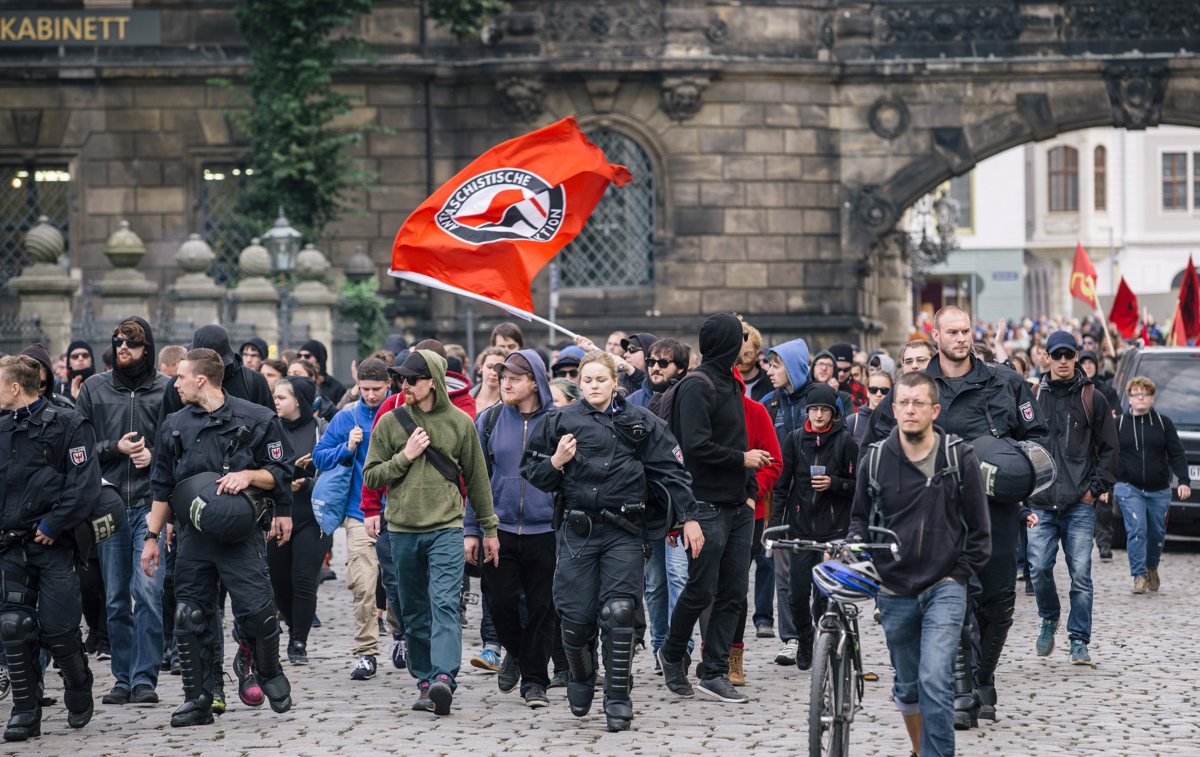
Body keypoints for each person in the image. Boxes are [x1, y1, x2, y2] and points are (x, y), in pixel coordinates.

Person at [868, 305, 1049, 729]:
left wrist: (1012, 470)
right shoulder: (916, 386)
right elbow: (878, 442)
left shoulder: (1005, 381)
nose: (961, 338)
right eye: (952, 332)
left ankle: (984, 678)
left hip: (998, 509)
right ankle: (961, 693)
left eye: (966, 330)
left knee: (998, 599)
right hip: (937, 511)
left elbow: (1038, 440)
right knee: (956, 597)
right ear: (936, 336)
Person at [522, 350, 699, 731]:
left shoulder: (640, 422)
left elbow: (673, 471)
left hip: (624, 530)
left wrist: (688, 518)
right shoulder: (559, 421)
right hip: (577, 532)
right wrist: (555, 461)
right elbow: (532, 471)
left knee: (619, 612)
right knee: (575, 619)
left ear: (614, 382)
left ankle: (618, 698)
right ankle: (582, 676)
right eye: (588, 381)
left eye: (601, 380)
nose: (594, 386)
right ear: (580, 383)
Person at [140, 347, 294, 728]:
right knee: (191, 616)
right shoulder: (174, 423)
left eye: (180, 377)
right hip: (194, 537)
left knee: (258, 614)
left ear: (201, 379)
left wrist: (249, 476)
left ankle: (269, 670)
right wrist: (152, 536)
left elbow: (282, 469)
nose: (175, 384)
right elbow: (162, 485)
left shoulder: (256, 418)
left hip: (240, 535)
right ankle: (200, 697)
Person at [850, 371, 991, 757]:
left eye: (918, 403)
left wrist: (958, 574)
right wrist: (854, 548)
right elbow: (859, 519)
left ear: (935, 410)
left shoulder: (957, 456)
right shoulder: (876, 459)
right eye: (904, 403)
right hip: (893, 589)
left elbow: (980, 531)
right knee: (909, 685)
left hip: (944, 585)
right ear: (893, 409)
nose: (910, 410)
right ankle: (919, 749)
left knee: (934, 680)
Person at [362, 349, 499, 717]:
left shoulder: (459, 422)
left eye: (413, 379)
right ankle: (424, 680)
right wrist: (404, 456)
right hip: (402, 531)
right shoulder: (390, 421)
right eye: (402, 379)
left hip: (447, 529)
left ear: (433, 381)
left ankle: (443, 677)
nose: (404, 385)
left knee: (444, 604)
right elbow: (372, 476)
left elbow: (477, 479)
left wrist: (489, 528)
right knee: (412, 610)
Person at [659, 312, 761, 705]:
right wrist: (743, 460)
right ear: (727, 344)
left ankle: (714, 671)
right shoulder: (696, 387)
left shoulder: (730, 384)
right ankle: (671, 652)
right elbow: (695, 447)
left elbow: (738, 436)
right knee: (702, 589)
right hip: (705, 506)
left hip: (738, 506)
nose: (745, 346)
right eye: (740, 339)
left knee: (734, 593)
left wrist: (749, 489)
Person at [0, 354, 100, 742]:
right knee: (13, 626)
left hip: (54, 543)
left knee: (59, 630)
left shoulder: (69, 424)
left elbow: (85, 484)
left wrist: (53, 523)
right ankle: (26, 710)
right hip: (11, 544)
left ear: (14, 387)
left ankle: (78, 682)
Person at [74, 317, 170, 707]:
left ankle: (145, 677)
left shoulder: (166, 390)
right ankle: (122, 677)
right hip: (109, 505)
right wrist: (115, 448)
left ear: (146, 349)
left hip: (151, 506)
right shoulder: (94, 389)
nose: (123, 348)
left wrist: (153, 456)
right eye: (117, 342)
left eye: (131, 343)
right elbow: (77, 450)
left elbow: (177, 445)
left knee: (147, 593)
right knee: (114, 596)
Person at [465, 350, 557, 708]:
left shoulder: (558, 421)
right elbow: (477, 479)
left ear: (534, 381)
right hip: (498, 530)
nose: (505, 383)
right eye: (502, 377)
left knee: (541, 608)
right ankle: (517, 654)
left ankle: (535, 681)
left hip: (546, 531)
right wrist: (471, 529)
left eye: (514, 378)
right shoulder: (488, 421)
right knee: (500, 602)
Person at [1028, 331, 1118, 667]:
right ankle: (1049, 616)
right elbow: (1018, 444)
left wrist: (1094, 490)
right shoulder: (1033, 396)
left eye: (1068, 355)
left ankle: (1078, 640)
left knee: (1081, 575)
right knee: (1038, 568)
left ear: (1076, 356)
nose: (1063, 361)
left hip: (1079, 501)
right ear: (1047, 358)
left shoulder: (1093, 396)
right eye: (1057, 355)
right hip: (1040, 500)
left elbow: (1111, 449)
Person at [312, 358, 392, 682]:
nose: (370, 395)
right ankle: (366, 652)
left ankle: (401, 636)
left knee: (401, 584)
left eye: (376, 389)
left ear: (389, 384)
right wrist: (346, 448)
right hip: (359, 512)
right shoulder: (347, 417)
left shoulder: (401, 413)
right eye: (364, 389)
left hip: (401, 512)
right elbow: (319, 455)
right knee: (362, 581)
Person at [773, 384, 857, 671]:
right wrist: (775, 527)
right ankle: (805, 639)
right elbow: (782, 488)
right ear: (807, 411)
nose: (819, 415)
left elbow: (859, 488)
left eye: (824, 410)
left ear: (833, 413)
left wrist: (835, 483)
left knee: (824, 594)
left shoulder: (846, 442)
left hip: (834, 530)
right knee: (796, 595)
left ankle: (823, 643)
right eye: (814, 409)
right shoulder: (796, 440)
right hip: (800, 528)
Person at [627, 339, 692, 665]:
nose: (654, 367)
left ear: (680, 367)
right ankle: (660, 647)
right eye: (651, 361)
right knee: (654, 584)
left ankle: (679, 649)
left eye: (663, 363)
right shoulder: (634, 401)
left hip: (678, 505)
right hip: (649, 507)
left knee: (679, 577)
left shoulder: (687, 398)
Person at [267, 376, 331, 664]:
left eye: (281, 397)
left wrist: (308, 481)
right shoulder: (269, 428)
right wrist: (287, 473)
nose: (276, 402)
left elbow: (335, 474)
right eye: (275, 397)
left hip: (312, 517)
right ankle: (293, 624)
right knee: (279, 581)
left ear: (298, 401)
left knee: (304, 579)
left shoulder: (321, 430)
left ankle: (299, 641)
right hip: (277, 516)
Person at [726, 365, 782, 684]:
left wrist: (753, 493)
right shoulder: (702, 410)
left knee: (735, 586)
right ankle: (711, 650)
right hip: (711, 511)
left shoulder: (756, 411)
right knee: (710, 587)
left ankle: (734, 656)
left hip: (750, 513)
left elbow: (773, 460)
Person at [760, 337, 812, 664]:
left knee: (817, 568)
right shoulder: (769, 403)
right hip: (780, 499)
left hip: (819, 499)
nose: (770, 371)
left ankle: (819, 630)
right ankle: (791, 637)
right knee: (784, 571)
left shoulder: (824, 400)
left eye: (777, 365)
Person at [1114, 376, 1191, 593]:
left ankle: (1151, 567)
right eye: (1136, 394)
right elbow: (1107, 455)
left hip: (1159, 488)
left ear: (1152, 397)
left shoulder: (1162, 423)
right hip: (1128, 486)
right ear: (1129, 398)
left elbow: (1177, 453)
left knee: (1156, 533)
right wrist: (1104, 485)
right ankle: (1138, 575)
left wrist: (1183, 481)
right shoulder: (1119, 424)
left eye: (1145, 394)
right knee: (1137, 528)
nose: (1140, 397)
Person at [298, 339, 347, 411]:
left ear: (319, 359)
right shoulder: (296, 383)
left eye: (307, 356)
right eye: (299, 355)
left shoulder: (337, 388)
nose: (302, 359)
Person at [847, 370, 893, 445]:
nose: (878, 394)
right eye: (873, 390)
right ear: (867, 392)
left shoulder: (897, 421)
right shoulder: (853, 421)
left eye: (884, 390)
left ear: (891, 392)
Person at [738, 323, 772, 403]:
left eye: (747, 354)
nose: (741, 360)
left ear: (757, 352)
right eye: (737, 354)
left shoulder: (771, 382)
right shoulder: (726, 383)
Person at [829, 342, 868, 409]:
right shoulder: (819, 385)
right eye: (838, 369)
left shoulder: (861, 389)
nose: (841, 374)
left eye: (846, 369)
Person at [471, 347, 506, 414]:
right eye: (489, 366)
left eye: (499, 369)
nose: (494, 372)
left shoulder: (507, 404)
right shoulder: (465, 397)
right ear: (481, 367)